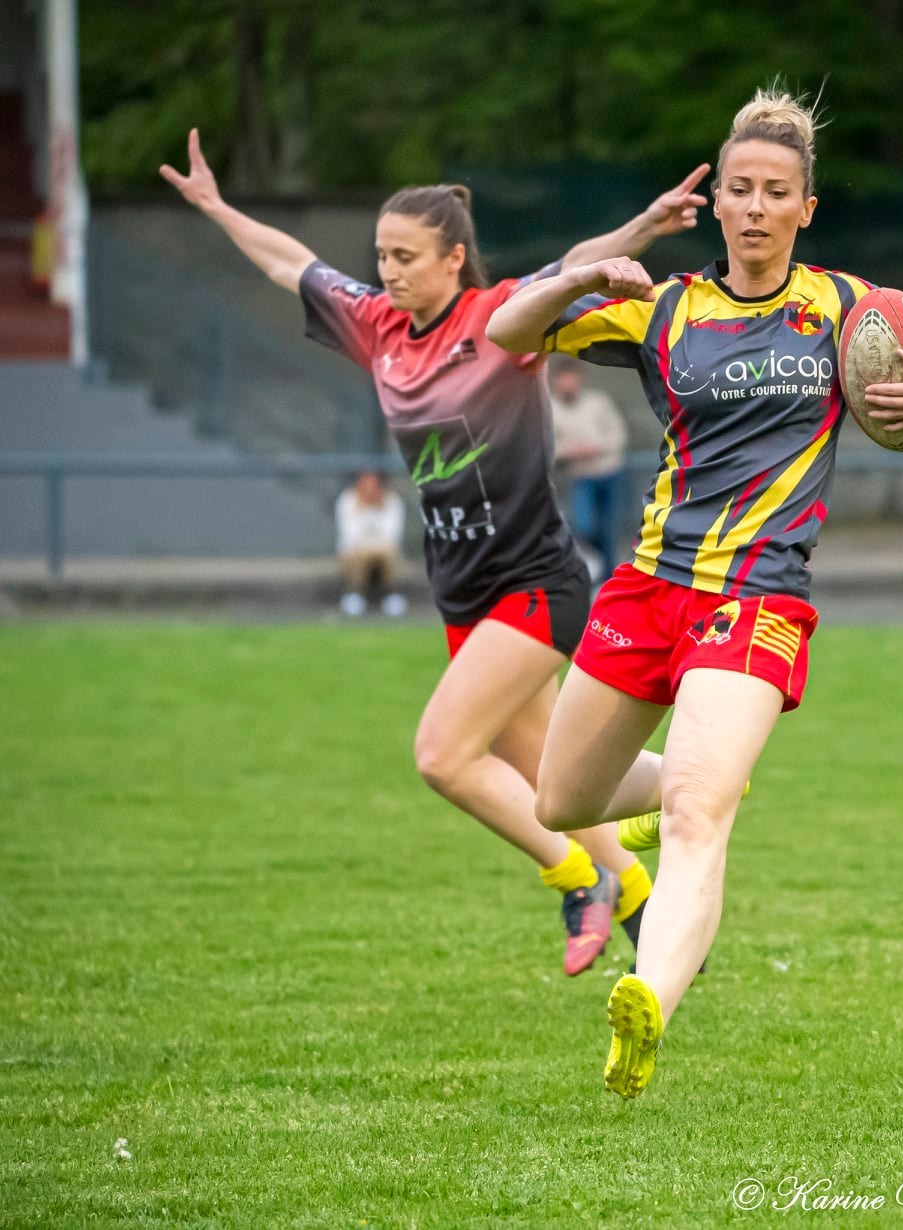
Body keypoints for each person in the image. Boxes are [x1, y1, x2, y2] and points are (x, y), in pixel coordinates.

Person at [486, 85, 903, 1098]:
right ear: (715, 201)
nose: (756, 207)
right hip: (644, 590)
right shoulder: (662, 307)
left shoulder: (849, 306)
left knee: (696, 815)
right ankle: (690, 780)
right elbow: (508, 330)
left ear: (807, 209)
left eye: (778, 193)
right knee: (561, 797)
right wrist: (584, 271)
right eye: (740, 190)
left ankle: (651, 1001)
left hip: (759, 598)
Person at [161, 128, 711, 975]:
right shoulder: (376, 326)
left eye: (406, 255)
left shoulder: (498, 319)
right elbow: (289, 263)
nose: (388, 270)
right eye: (381, 255)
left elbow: (574, 263)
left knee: (446, 755)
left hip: (536, 582)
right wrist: (218, 207)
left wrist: (642, 226)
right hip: (462, 591)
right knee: (551, 777)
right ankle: (641, 883)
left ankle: (581, 879)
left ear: (455, 258)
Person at [549, 361, 629, 575]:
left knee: (609, 530)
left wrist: (597, 448)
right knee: (585, 526)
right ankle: (598, 564)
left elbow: (618, 434)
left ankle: (608, 576)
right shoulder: (551, 409)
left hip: (609, 473)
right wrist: (570, 452)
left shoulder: (598, 402)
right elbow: (548, 447)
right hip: (579, 477)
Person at [335, 469, 407, 617]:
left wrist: (376, 508)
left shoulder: (392, 500)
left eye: (374, 483)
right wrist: (364, 509)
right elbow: (350, 536)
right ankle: (355, 593)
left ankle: (390, 595)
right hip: (355, 551)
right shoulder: (348, 499)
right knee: (361, 554)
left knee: (389, 552)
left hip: (383, 550)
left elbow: (391, 536)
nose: (370, 488)